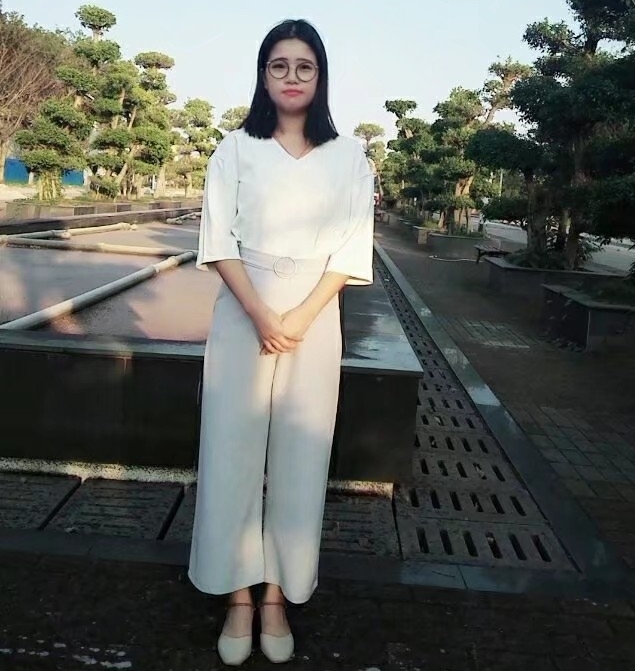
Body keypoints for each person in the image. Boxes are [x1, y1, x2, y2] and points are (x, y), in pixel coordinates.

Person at [188, 18, 374, 667]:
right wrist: (262, 314)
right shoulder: (234, 148)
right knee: (230, 451)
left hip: (314, 317)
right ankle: (237, 595)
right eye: (279, 65)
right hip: (244, 309)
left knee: (301, 454)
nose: (291, 77)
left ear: (320, 77)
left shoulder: (349, 156)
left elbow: (351, 247)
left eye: (304, 66)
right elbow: (218, 239)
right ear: (263, 76)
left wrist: (300, 316)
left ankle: (277, 595)